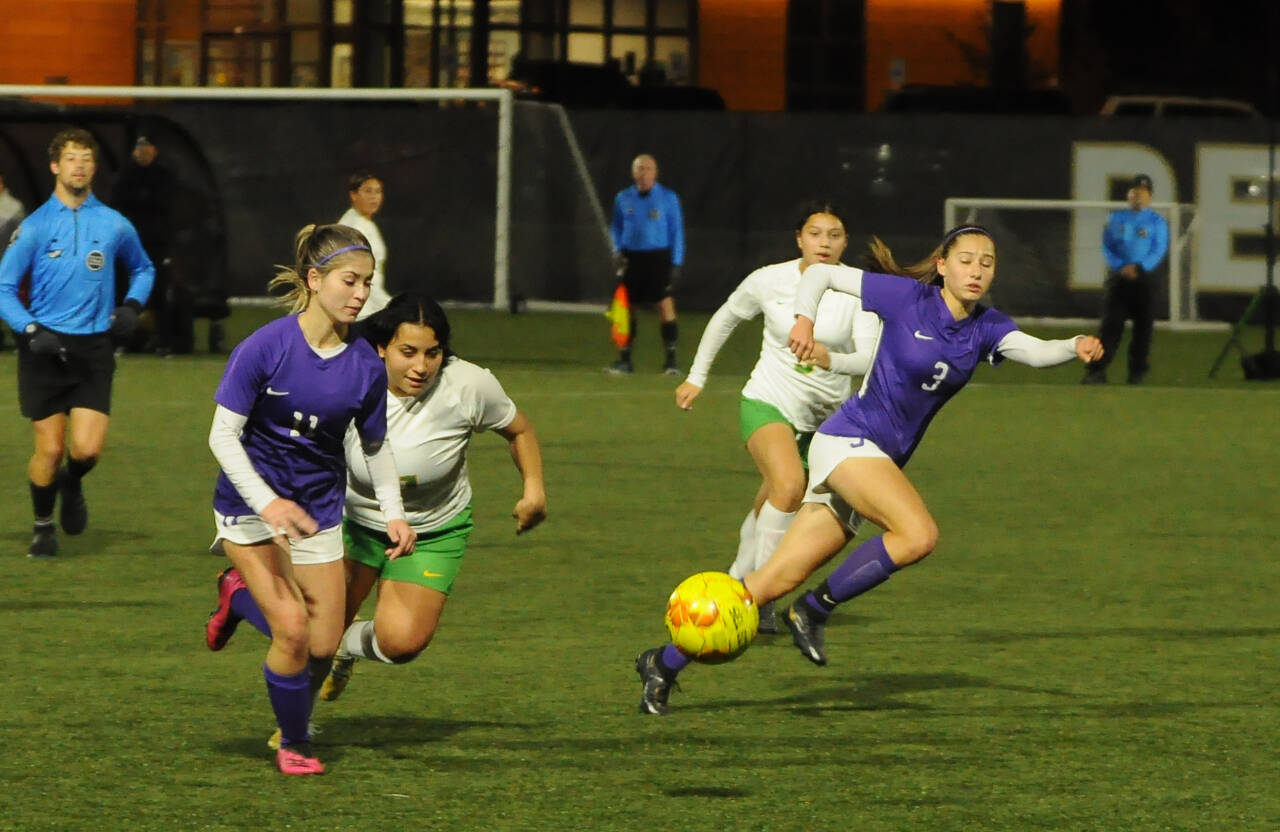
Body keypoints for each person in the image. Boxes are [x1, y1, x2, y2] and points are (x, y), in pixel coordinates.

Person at [635, 225, 1104, 715]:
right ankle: (813, 610)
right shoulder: (907, 297)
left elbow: (1034, 351)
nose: (976, 270)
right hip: (848, 441)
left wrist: (1074, 344)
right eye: (966, 260)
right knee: (918, 534)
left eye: (986, 262)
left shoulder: (986, 328)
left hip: (873, 459)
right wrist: (803, 321)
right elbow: (820, 276)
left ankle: (663, 663)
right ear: (942, 265)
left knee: (767, 583)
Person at [201, 223, 416, 775]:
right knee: (293, 631)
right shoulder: (265, 347)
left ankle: (235, 595)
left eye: (367, 282)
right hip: (249, 508)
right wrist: (267, 503)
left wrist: (394, 514)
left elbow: (375, 445)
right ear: (315, 280)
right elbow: (222, 436)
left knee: (322, 643)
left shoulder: (365, 363)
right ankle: (295, 744)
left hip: (318, 510)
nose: (361, 294)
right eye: (350, 280)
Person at [315, 292, 547, 702]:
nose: (421, 366)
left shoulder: (468, 385)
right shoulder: (350, 377)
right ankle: (293, 726)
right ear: (382, 348)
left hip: (433, 530)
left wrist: (534, 490)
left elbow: (519, 430)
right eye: (408, 352)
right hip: (355, 523)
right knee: (314, 632)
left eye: (433, 353)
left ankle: (346, 646)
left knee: (402, 643)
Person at [674, 202, 880, 632]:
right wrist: (696, 376)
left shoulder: (858, 293)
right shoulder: (769, 280)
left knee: (773, 501)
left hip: (824, 422)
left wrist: (829, 358)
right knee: (788, 487)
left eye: (834, 235)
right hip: (767, 401)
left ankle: (737, 578)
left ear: (845, 242)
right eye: (815, 233)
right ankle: (761, 599)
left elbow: (867, 359)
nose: (824, 242)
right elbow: (726, 317)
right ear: (799, 238)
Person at [0, 127, 154, 559]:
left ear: (94, 167)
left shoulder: (113, 223)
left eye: (86, 159)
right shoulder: (34, 226)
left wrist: (131, 306)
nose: (79, 166)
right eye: (71, 158)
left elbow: (143, 268)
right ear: (55, 166)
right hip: (45, 348)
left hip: (93, 348)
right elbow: (4, 287)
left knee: (86, 450)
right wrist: (31, 331)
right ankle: (42, 528)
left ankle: (73, 481)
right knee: (49, 448)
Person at [1082, 173, 1169, 385]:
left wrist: (1140, 267)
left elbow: (1158, 249)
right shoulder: (1115, 218)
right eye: (1134, 192)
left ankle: (1137, 373)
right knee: (1110, 326)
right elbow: (1107, 246)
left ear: (1150, 196)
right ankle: (1097, 371)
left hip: (1145, 280)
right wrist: (1120, 266)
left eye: (1143, 192)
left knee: (1143, 329)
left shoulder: (1157, 222)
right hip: (1119, 280)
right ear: (1128, 195)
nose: (1138, 196)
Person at [607, 153, 684, 375]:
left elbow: (677, 231)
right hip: (631, 258)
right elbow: (616, 227)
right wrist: (616, 250)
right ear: (633, 173)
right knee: (626, 308)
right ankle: (625, 360)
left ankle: (671, 362)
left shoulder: (668, 198)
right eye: (640, 168)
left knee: (665, 305)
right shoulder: (623, 198)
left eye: (648, 168)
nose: (644, 173)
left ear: (655, 173)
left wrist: (676, 262)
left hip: (657, 258)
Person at [110, 136, 182, 354]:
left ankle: (164, 341)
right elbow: (119, 202)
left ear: (155, 150)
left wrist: (141, 201)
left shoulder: (163, 176)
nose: (142, 151)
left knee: (160, 291)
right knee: (123, 290)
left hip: (155, 244)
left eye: (146, 146)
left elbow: (164, 204)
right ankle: (123, 340)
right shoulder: (125, 175)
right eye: (139, 147)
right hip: (128, 243)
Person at [338, 173, 389, 319]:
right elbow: (359, 275)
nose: (374, 197)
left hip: (367, 301)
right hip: (358, 306)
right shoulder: (354, 227)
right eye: (368, 191)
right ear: (353, 195)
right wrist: (390, 306)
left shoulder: (364, 222)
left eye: (378, 191)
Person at [0, 170, 25, 351]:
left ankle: (15, 337)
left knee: (8, 299)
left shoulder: (13, 207)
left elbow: (19, 235)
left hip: (6, 260)